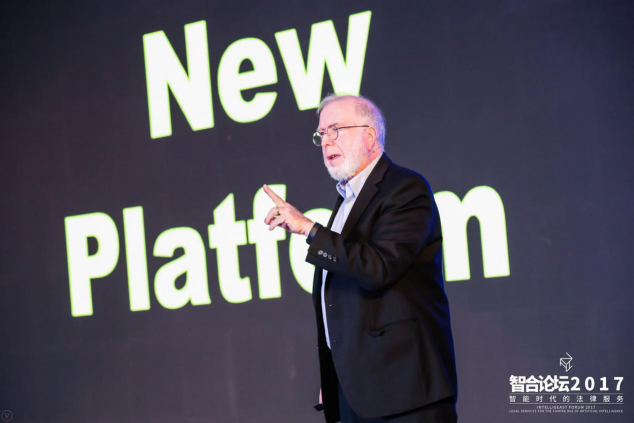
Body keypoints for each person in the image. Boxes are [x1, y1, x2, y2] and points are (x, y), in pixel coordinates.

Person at [263, 94, 458, 422]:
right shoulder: (346, 200)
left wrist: (309, 229)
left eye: (335, 130)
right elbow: (344, 299)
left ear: (369, 136)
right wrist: (337, 374)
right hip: (357, 392)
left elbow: (379, 267)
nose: (326, 142)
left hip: (405, 393)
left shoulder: (405, 189)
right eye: (321, 134)